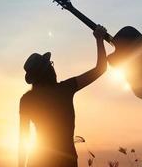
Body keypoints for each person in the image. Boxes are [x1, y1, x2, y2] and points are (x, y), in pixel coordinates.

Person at [18, 25, 108, 167]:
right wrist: (99, 39)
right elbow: (100, 69)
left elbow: (23, 139)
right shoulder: (65, 89)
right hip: (66, 160)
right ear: (48, 71)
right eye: (51, 65)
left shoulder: (26, 100)